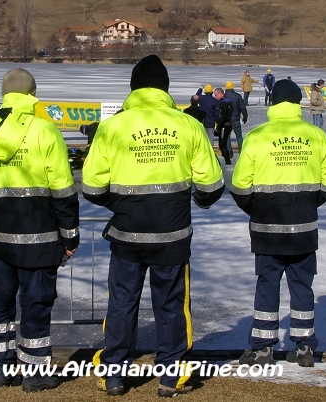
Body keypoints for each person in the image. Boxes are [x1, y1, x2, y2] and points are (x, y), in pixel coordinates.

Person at [82, 55, 224, 397]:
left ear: (133, 88)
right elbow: (212, 185)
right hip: (172, 234)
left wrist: (120, 205)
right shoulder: (187, 125)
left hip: (127, 234)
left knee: (122, 301)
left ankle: (114, 374)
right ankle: (171, 375)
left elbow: (91, 187)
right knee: (172, 303)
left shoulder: (113, 126)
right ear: (165, 88)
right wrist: (197, 202)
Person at [0, 68, 79, 393]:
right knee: (36, 303)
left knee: (1, 302)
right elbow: (63, 190)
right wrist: (69, 235)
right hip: (39, 241)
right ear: (32, 95)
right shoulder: (45, 131)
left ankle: (3, 367)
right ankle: (35, 373)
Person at [230, 79, 326, 368]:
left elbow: (240, 187)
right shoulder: (316, 136)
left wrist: (259, 209)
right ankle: (304, 347)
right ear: (297, 104)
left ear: (274, 103)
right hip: (304, 228)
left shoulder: (256, 137)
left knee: (267, 284)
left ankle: (263, 347)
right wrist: (305, 205)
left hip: (266, 230)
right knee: (302, 285)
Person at [226, 80, 248, 153]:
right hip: (236, 119)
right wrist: (245, 116)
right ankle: (241, 150)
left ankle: (229, 152)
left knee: (227, 136)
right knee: (238, 136)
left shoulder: (224, 96)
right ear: (233, 87)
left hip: (226, 120)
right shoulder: (237, 96)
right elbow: (242, 107)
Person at [214, 87, 233, 165]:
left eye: (216, 95)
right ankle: (227, 160)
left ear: (220, 94)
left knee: (222, 144)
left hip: (224, 126)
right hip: (226, 125)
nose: (215, 97)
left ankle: (227, 161)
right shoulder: (226, 101)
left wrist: (219, 127)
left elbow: (223, 116)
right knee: (223, 143)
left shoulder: (225, 102)